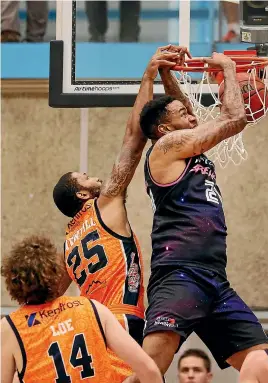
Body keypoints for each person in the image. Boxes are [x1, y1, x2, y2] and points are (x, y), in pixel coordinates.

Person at [137, 49, 268, 379]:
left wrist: (167, 74)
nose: (194, 116)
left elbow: (181, 106)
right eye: (185, 114)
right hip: (180, 275)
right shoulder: (166, 148)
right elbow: (236, 119)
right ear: (166, 128)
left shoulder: (177, 141)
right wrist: (228, 68)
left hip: (214, 279)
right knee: (147, 373)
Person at [52, 46, 180, 380]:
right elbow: (134, 138)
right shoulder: (104, 202)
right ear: (82, 194)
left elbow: (51, 294)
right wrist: (149, 76)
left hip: (86, 326)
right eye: (84, 176)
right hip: (120, 319)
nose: (92, 175)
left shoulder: (68, 244)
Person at [0, 235, 162, 383]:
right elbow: (149, 369)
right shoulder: (90, 308)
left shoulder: (11, 327)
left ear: (12, 283)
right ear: (56, 272)